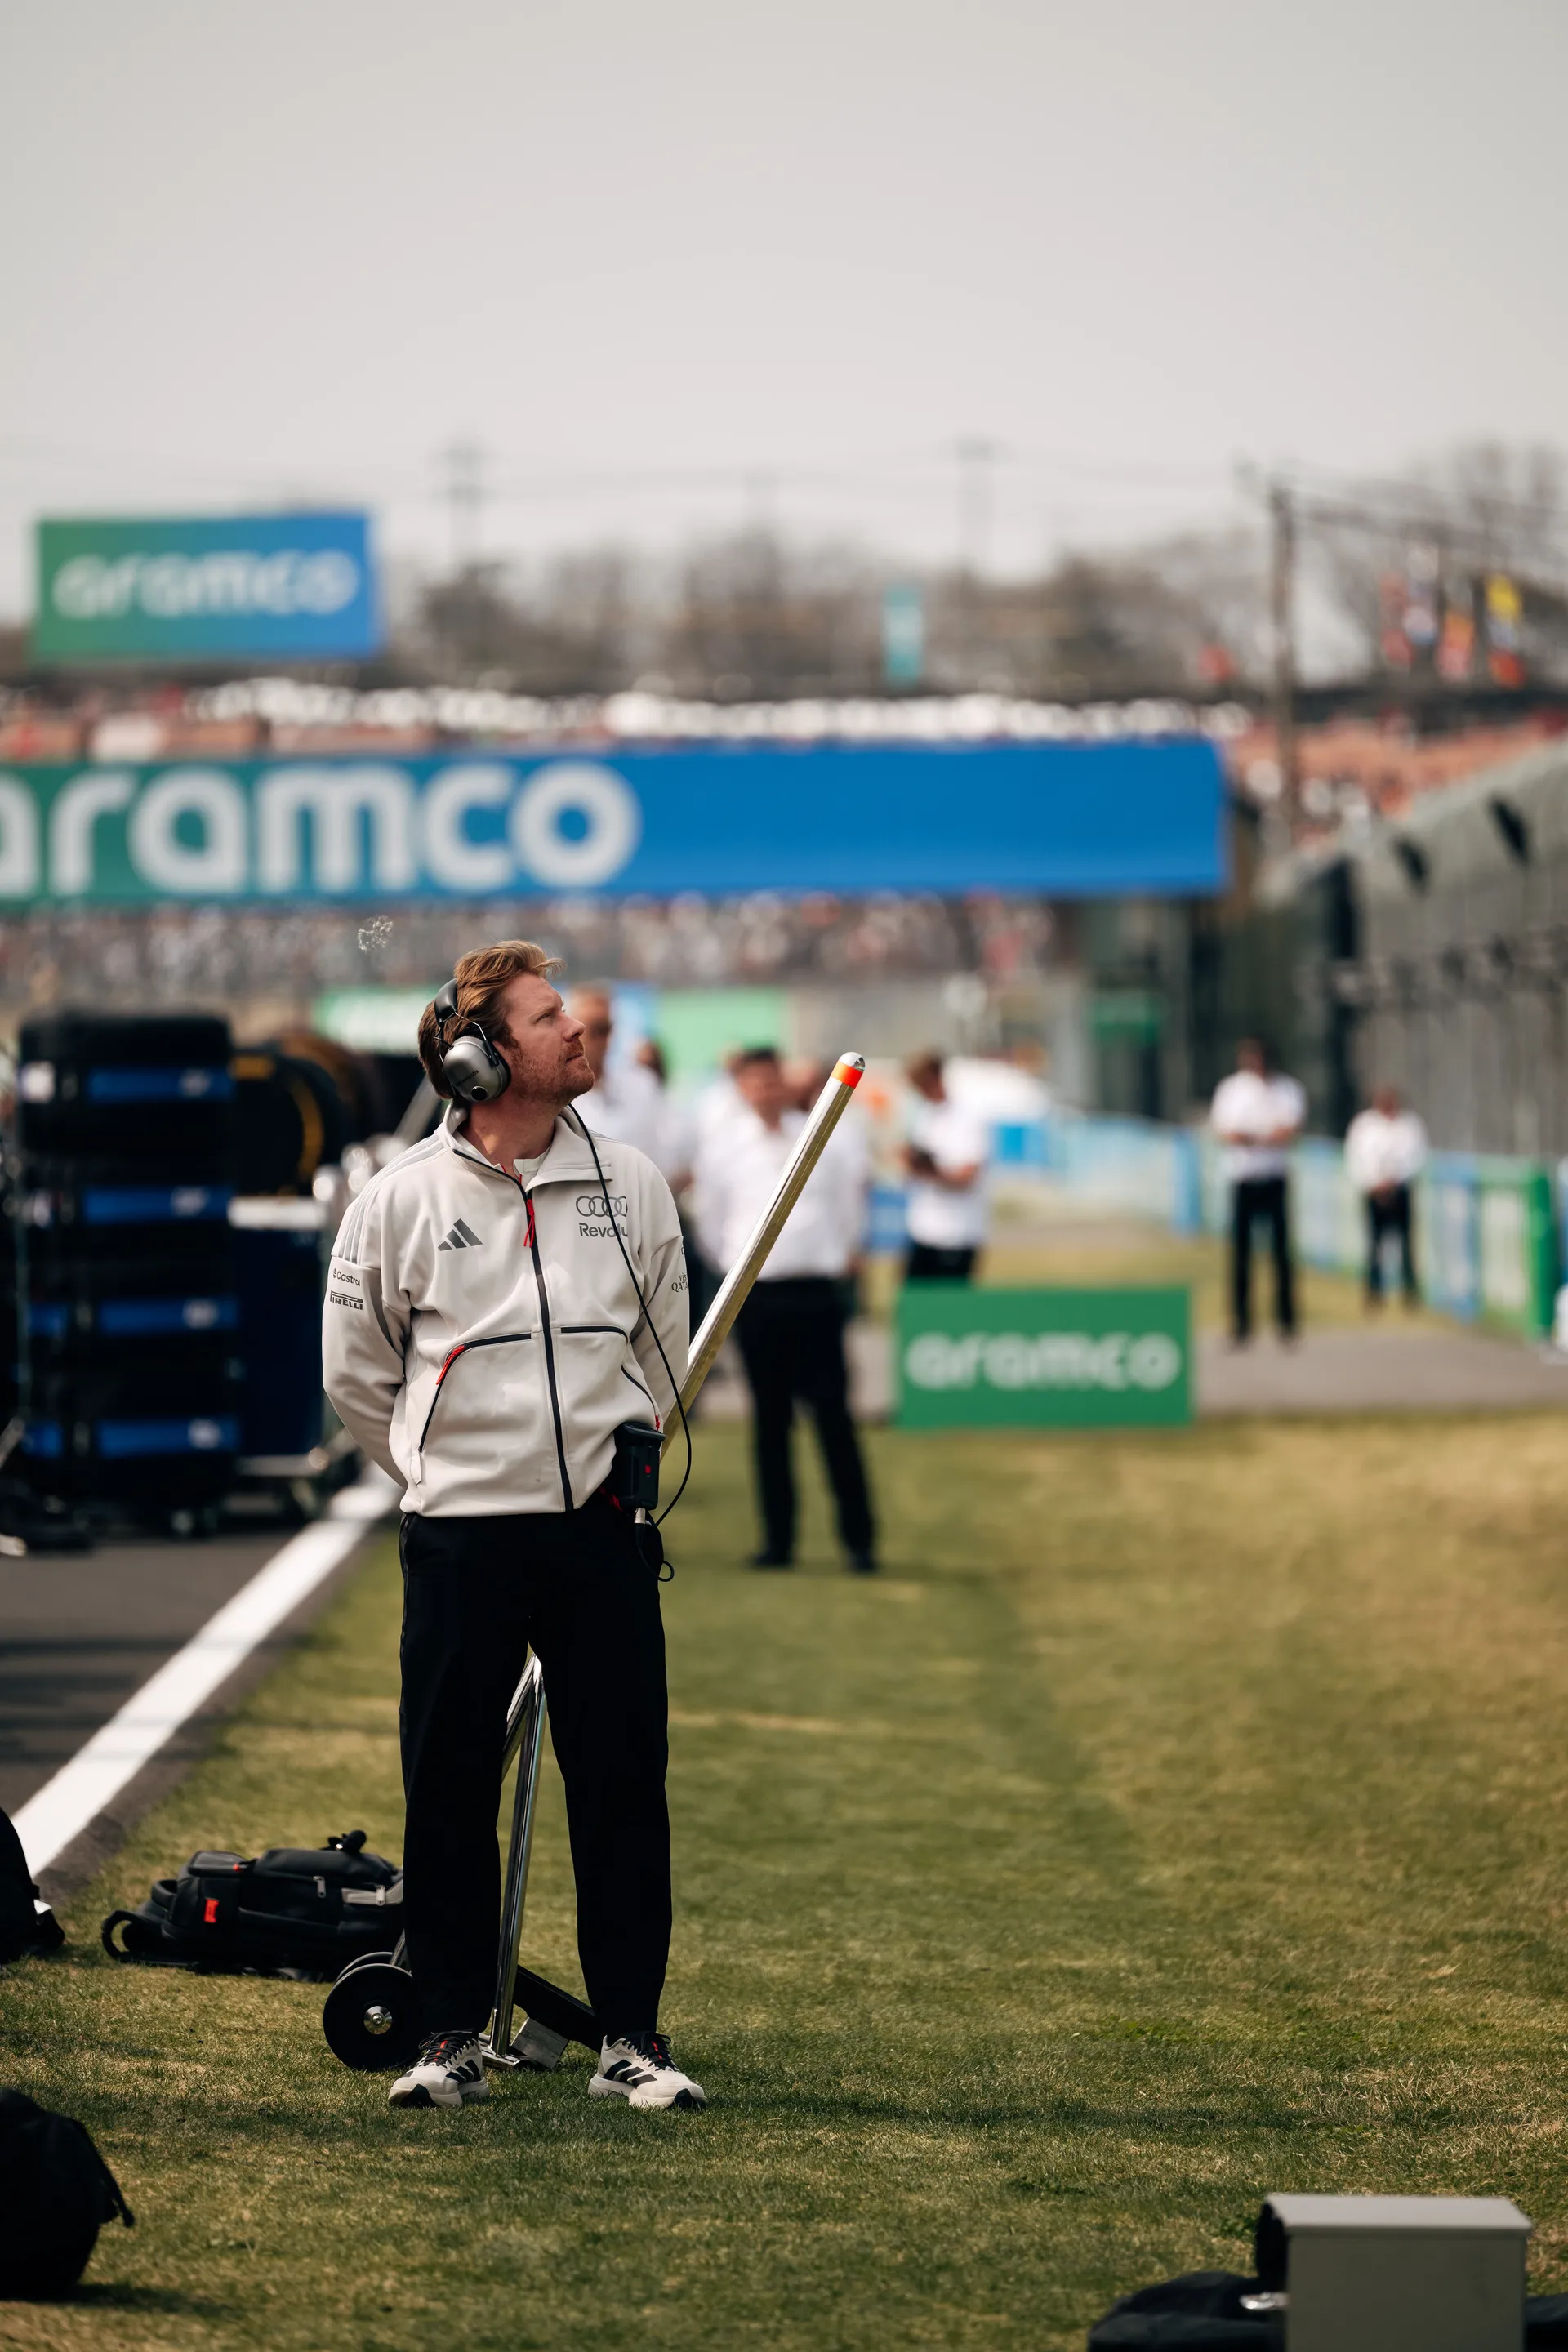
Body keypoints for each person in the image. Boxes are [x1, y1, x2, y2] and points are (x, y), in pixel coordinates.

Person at [322, 940, 705, 2116]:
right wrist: (440, 1475)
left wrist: (610, 1457)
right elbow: (356, 1378)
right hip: (461, 1541)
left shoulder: (631, 1181)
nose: (578, 1032)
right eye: (550, 1021)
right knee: (444, 1788)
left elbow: (664, 1353)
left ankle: (628, 2038)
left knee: (623, 1785)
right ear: (484, 1060)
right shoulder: (399, 1199)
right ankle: (447, 2034)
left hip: (599, 1535)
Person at [693, 1045, 876, 1574]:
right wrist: (739, 1267)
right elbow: (712, 1222)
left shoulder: (821, 1137)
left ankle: (859, 1541)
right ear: (743, 1088)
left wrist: (836, 1254)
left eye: (773, 1081)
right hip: (760, 1296)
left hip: (817, 1291)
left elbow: (848, 1207)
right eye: (755, 1083)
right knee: (770, 1423)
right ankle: (779, 1542)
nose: (766, 1091)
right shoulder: (725, 1149)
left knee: (834, 1417)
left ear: (785, 1084)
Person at [1210, 1037, 1306, 1345]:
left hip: (1275, 1177)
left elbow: (1288, 1131)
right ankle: (1241, 1322)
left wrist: (1256, 1137)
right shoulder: (1232, 1090)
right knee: (1240, 1256)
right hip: (1243, 1178)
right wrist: (1262, 1136)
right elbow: (1227, 1132)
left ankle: (1286, 1321)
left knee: (1281, 1254)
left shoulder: (1286, 1089)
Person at [902, 1051, 989, 1282]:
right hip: (923, 1229)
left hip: (957, 1233)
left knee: (950, 1310)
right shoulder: (926, 1115)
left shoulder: (967, 1116)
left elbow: (967, 1175)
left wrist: (933, 1171)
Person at [1345, 1083, 1427, 1307]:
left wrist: (1394, 1179)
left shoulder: (1409, 1125)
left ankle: (1409, 1292)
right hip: (1373, 1192)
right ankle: (1374, 1292)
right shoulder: (1364, 1126)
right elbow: (1354, 1159)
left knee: (1406, 1244)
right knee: (1374, 1245)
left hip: (1400, 1190)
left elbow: (1417, 1158)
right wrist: (1373, 1183)